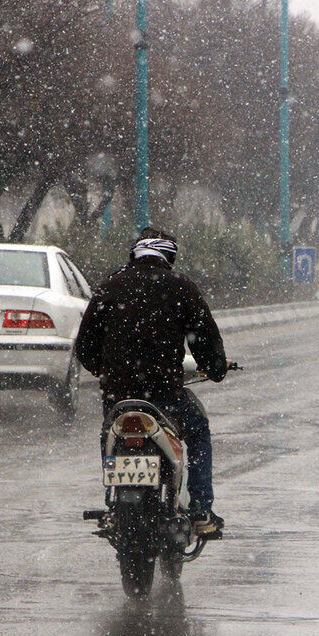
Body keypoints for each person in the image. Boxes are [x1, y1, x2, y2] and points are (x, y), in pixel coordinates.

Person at [75, 228, 228, 534]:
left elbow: (85, 347)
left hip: (119, 397)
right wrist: (215, 368)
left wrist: (106, 372)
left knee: (110, 438)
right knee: (198, 430)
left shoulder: (109, 287)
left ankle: (113, 506)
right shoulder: (181, 287)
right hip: (165, 396)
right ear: (168, 257)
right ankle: (200, 510)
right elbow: (206, 342)